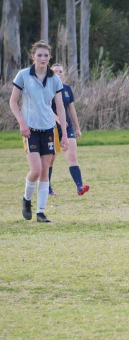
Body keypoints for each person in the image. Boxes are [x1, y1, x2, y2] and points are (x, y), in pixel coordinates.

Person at [9, 40, 68, 223]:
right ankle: (26, 200)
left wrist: (64, 133)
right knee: (35, 170)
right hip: (31, 130)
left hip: (49, 129)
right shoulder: (24, 75)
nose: (42, 58)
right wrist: (22, 123)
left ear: (50, 57)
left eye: (46, 55)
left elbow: (60, 106)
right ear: (33, 57)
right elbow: (12, 102)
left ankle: (41, 212)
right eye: (39, 55)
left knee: (45, 171)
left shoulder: (55, 79)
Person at [48, 63, 90, 196]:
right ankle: (47, 188)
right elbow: (44, 107)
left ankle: (79, 186)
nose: (58, 74)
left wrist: (77, 128)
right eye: (55, 71)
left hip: (67, 127)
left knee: (72, 156)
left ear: (64, 75)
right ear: (50, 73)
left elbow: (71, 109)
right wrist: (57, 119)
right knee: (50, 159)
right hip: (50, 127)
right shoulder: (46, 89)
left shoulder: (67, 89)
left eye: (61, 72)